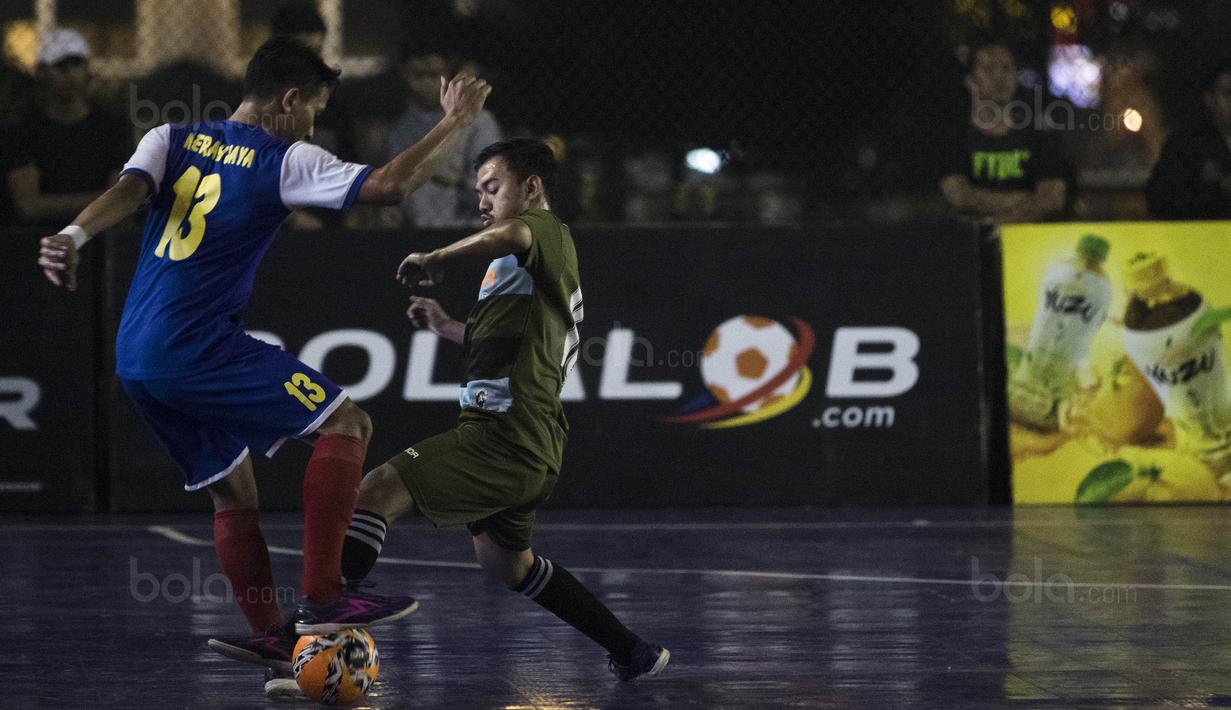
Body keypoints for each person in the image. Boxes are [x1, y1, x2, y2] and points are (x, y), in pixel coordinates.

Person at [36, 37, 491, 699]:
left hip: (134, 356)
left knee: (233, 489)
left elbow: (129, 191)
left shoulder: (172, 136)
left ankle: (276, 639)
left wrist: (72, 235)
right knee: (347, 422)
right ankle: (326, 595)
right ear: (288, 101)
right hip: (197, 346)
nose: (313, 123)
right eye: (313, 109)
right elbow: (389, 187)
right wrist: (456, 122)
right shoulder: (285, 156)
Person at [337, 139, 670, 682]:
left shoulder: (542, 231)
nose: (483, 201)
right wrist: (446, 327)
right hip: (527, 442)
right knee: (506, 563)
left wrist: (436, 256)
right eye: (478, 192)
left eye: (492, 188)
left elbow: (511, 232)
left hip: (504, 435)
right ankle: (632, 650)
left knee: (375, 490)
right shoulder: (526, 268)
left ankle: (326, 623)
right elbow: (512, 341)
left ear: (532, 188)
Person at [2, 28, 130, 228]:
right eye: (60, 65)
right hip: (36, 242)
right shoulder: (21, 132)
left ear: (87, 69)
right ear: (41, 72)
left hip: (96, 243)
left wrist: (49, 204)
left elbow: (119, 201)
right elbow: (29, 206)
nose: (69, 73)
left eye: (76, 63)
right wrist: (99, 202)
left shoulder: (113, 129)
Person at [940, 38, 1067, 223]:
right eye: (989, 69)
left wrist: (1003, 216)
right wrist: (1019, 200)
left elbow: (1053, 197)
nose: (999, 76)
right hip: (971, 238)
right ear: (970, 81)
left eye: (1007, 68)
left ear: (1017, 78)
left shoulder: (1039, 133)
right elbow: (958, 195)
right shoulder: (956, 133)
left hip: (1027, 235)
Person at [385, 46, 502, 227]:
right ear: (405, 76)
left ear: (448, 73)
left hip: (471, 230)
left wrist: (460, 182)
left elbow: (498, 194)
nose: (426, 83)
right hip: (417, 233)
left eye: (433, 75)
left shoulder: (479, 122)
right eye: (418, 75)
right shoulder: (400, 129)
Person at [1145, 63, 1231, 219]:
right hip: (1200, 237)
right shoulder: (1186, 145)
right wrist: (1219, 188)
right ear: (1210, 99)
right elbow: (1161, 198)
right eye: (1228, 94)